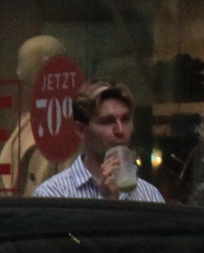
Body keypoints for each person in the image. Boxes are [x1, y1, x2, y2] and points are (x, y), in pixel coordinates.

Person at [33, 80, 164, 202]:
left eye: (125, 120)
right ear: (81, 130)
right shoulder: (54, 194)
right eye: (108, 121)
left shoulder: (150, 195)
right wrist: (108, 204)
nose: (120, 130)